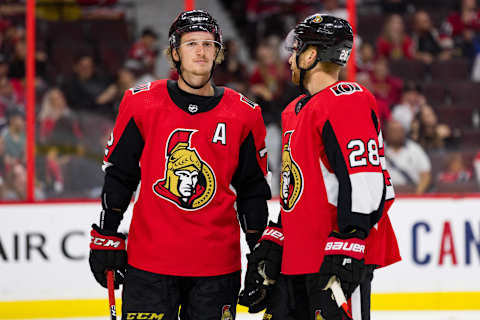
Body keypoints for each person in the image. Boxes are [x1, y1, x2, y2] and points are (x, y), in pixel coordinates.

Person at [88, 9, 271, 320]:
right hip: (149, 267)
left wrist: (259, 254)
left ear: (218, 52)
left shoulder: (245, 114)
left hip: (216, 270)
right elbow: (120, 176)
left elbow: (252, 191)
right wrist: (106, 233)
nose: (200, 51)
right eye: (191, 43)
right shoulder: (140, 103)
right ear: (174, 52)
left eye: (208, 44)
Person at [240, 14, 401, 319]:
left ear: (311, 55)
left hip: (333, 259)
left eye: (296, 49)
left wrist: (351, 244)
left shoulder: (346, 100)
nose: (290, 59)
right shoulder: (296, 109)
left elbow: (364, 179)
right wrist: (275, 242)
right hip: (299, 256)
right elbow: (297, 188)